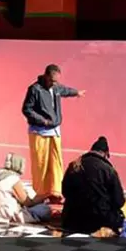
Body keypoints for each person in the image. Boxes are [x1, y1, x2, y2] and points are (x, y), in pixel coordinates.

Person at [21, 64, 84, 201]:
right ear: (46, 76)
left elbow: (65, 91)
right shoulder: (35, 89)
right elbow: (27, 109)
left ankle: (55, 191)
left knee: (56, 162)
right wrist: (42, 121)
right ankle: (41, 193)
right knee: (41, 163)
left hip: (54, 130)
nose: (54, 84)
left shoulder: (55, 88)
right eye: (51, 80)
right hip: (39, 131)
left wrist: (77, 93)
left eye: (56, 81)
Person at [60, 136, 126, 236]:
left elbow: (65, 192)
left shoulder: (73, 165)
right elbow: (119, 202)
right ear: (106, 154)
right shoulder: (108, 170)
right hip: (99, 222)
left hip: (72, 220)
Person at [0, 153, 53, 226]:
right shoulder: (13, 178)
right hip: (6, 216)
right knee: (45, 209)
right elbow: (27, 202)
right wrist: (44, 197)